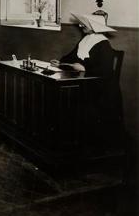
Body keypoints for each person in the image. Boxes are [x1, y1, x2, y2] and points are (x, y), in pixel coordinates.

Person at [51, 13, 122, 148]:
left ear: (93, 26)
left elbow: (105, 71)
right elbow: (71, 57)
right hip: (86, 83)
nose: (80, 25)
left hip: (102, 90)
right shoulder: (85, 39)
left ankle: (83, 145)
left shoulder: (103, 44)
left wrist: (84, 69)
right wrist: (60, 62)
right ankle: (70, 142)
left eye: (84, 24)